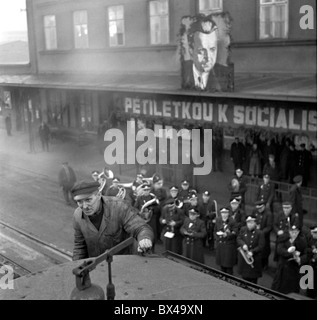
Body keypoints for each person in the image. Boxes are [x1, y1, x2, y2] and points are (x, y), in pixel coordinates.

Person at [71, 181, 154, 260]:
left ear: (99, 195)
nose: (84, 206)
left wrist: (144, 238)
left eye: (88, 200)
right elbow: (80, 247)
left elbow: (140, 227)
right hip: (97, 267)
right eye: (79, 202)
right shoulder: (77, 215)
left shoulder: (119, 206)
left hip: (123, 265)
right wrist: (76, 266)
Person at [180, 15, 231, 92]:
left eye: (212, 50)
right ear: (191, 51)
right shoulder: (184, 71)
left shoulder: (224, 75)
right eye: (201, 51)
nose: (207, 58)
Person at [271, 224, 308, 294]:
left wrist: (300, 259)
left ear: (298, 232)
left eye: (296, 232)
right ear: (289, 232)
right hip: (283, 268)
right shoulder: (283, 239)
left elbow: (306, 254)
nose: (294, 234)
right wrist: (290, 252)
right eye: (292, 232)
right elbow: (279, 250)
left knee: (292, 290)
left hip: (294, 270)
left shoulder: (302, 242)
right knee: (278, 289)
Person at [237, 215, 265, 284]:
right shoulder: (243, 229)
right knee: (244, 280)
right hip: (244, 258)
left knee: (253, 280)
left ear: (255, 223)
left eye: (252, 223)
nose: (250, 224)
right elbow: (239, 238)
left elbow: (261, 246)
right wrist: (243, 244)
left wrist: (252, 252)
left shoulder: (260, 233)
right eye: (248, 223)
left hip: (254, 259)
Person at [214, 207, 238, 275]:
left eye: (225, 213)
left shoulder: (232, 221)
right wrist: (217, 238)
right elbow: (215, 230)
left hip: (229, 246)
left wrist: (227, 235)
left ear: (228, 213)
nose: (224, 215)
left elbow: (235, 232)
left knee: (228, 266)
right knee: (221, 265)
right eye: (222, 213)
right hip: (220, 244)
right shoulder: (218, 220)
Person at [251, 199, 273, 270]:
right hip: (256, 234)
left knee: (265, 250)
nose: (259, 210)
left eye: (260, 208)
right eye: (258, 208)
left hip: (264, 235)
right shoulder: (255, 211)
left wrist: (261, 233)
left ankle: (265, 264)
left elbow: (269, 226)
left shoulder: (268, 214)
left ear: (264, 206)